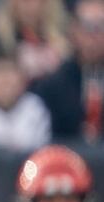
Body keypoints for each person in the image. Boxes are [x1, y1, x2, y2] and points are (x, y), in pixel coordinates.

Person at [33, 0, 104, 143]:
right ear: (73, 30)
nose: (93, 36)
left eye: (101, 27)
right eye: (87, 27)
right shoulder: (52, 86)